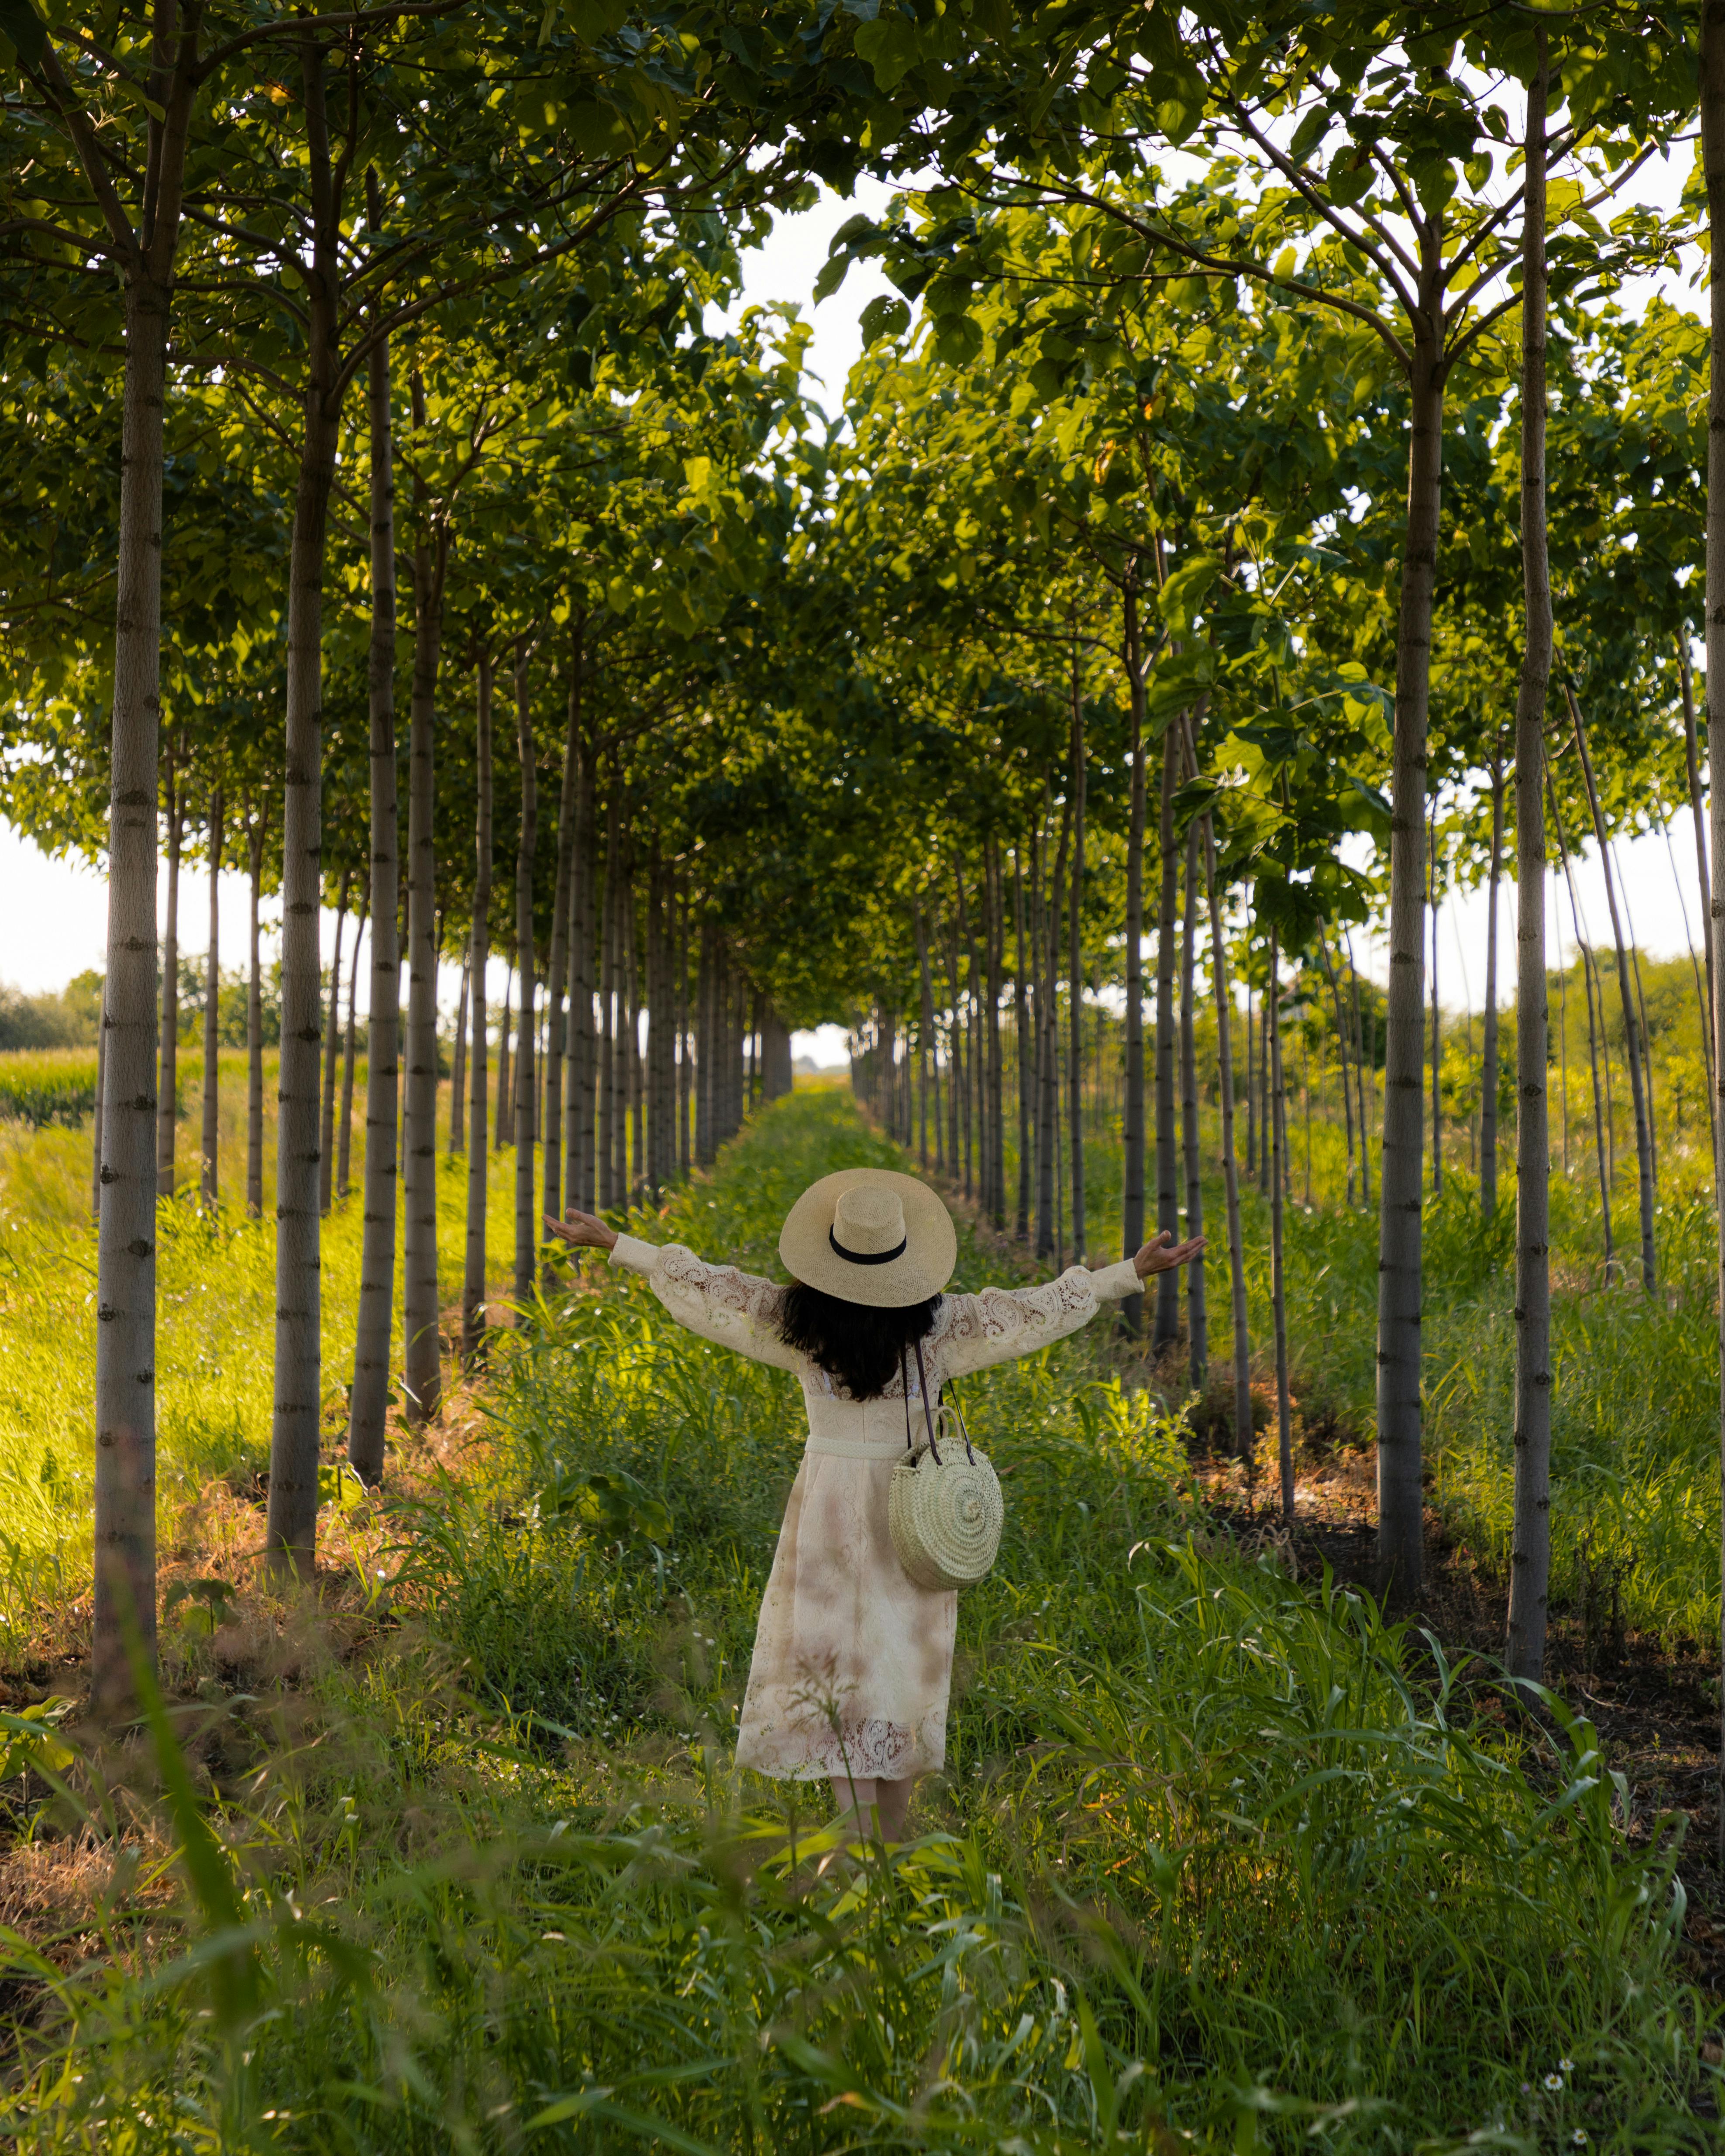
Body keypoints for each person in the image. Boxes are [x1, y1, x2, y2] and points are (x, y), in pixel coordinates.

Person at [546, 1167, 1202, 1843]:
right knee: (898, 1669)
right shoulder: (939, 1327)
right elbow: (1033, 1310)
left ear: (827, 1253)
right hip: (911, 1510)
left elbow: (713, 1285)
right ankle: (885, 1850)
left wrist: (618, 1245)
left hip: (829, 1508)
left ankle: (862, 1852)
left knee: (838, 1672)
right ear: (905, 1260)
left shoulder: (793, 1320)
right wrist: (1127, 1272)